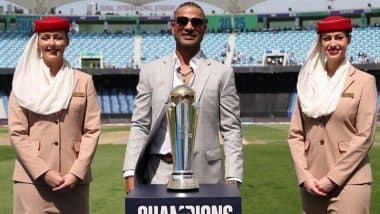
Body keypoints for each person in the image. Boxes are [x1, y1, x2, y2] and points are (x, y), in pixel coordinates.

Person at [123, 1, 243, 193]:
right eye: (182, 21)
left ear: (204, 28)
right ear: (173, 27)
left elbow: (231, 128)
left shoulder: (222, 73)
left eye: (196, 22)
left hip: (206, 174)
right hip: (158, 172)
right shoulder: (150, 71)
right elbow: (140, 124)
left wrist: (233, 176)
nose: (189, 27)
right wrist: (130, 171)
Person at [8, 16, 101, 213]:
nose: (52, 43)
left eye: (58, 37)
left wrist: (76, 173)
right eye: (46, 37)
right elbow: (17, 132)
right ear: (37, 42)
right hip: (32, 182)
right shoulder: (23, 82)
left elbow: (92, 130)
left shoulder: (83, 81)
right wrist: (43, 172)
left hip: (73, 182)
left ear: (67, 41)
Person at [288, 16, 377, 213]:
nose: (333, 43)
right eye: (327, 38)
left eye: (339, 37)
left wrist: (333, 178)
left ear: (349, 40)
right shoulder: (307, 83)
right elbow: (295, 135)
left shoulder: (364, 82)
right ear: (320, 42)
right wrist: (305, 177)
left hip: (350, 181)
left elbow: (364, 137)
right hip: (312, 183)